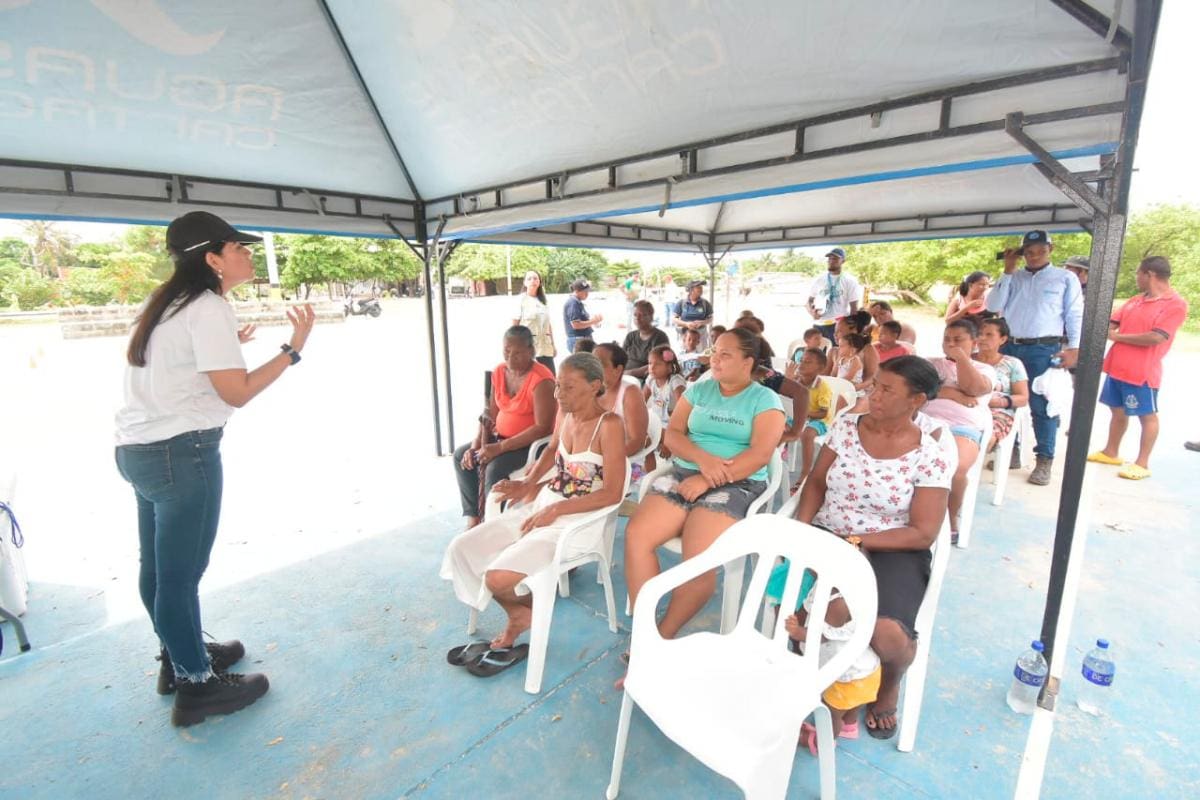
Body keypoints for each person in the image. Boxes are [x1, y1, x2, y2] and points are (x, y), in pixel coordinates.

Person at [114, 210, 316, 726]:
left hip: (140, 451)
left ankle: (179, 658)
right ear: (211, 259)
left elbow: (177, 367)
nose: (247, 253)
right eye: (238, 247)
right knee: (179, 578)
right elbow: (238, 393)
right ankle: (197, 687)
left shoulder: (168, 304)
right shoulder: (206, 308)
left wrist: (230, 346)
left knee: (158, 572)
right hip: (182, 454)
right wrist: (293, 350)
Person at [791, 355, 951, 740]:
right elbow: (815, 483)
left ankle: (889, 683)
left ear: (915, 400)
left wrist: (859, 542)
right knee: (811, 616)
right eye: (875, 384)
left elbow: (923, 532)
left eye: (886, 389)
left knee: (887, 635)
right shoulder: (847, 427)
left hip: (894, 547)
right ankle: (827, 689)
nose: (873, 394)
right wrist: (800, 529)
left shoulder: (930, 456)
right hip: (831, 535)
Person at [440, 353, 627, 668]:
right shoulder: (565, 414)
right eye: (556, 386)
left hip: (576, 524)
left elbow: (612, 493)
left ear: (596, 386)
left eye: (568, 387)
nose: (558, 395)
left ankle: (523, 613)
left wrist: (558, 510)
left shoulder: (608, 425)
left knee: (498, 577)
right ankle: (521, 612)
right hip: (546, 506)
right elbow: (553, 448)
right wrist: (528, 483)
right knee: (463, 549)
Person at [624, 328, 786, 643]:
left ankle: (660, 637)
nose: (716, 359)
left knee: (697, 562)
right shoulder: (699, 389)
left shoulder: (765, 399)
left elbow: (760, 455)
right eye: (714, 352)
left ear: (747, 362)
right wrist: (702, 460)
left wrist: (708, 477)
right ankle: (645, 631)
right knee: (636, 536)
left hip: (738, 482)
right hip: (685, 473)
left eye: (726, 354)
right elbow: (673, 434)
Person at [986, 230, 1083, 486]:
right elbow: (993, 305)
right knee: (1004, 399)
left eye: (1040, 250)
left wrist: (1075, 347)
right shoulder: (1013, 277)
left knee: (1041, 404)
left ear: (1050, 248)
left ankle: (1044, 459)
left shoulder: (1064, 278)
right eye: (1029, 251)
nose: (1034, 255)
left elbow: (1074, 314)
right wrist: (1007, 270)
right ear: (1022, 253)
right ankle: (1010, 450)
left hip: (1044, 348)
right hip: (1010, 346)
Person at [1087, 256, 1189, 480]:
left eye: (1138, 273)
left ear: (1150, 274)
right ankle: (1111, 451)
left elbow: (1156, 337)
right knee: (1117, 410)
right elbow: (1114, 321)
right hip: (1117, 367)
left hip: (1142, 371)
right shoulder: (1136, 300)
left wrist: (1118, 337)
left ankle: (1142, 462)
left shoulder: (1175, 304)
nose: (1136, 278)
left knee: (1146, 415)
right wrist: (1111, 329)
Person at [454, 327, 556, 529]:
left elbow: (543, 427)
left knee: (494, 469)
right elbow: (489, 414)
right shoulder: (500, 371)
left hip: (529, 444)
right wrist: (477, 443)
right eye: (506, 351)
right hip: (498, 438)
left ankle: (493, 525)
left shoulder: (542, 379)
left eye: (517, 352)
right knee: (461, 456)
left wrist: (500, 448)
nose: (511, 357)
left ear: (531, 351)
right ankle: (474, 518)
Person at [921, 320, 997, 543]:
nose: (951, 344)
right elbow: (922, 391)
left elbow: (974, 388)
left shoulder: (985, 370)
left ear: (974, 343)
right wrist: (952, 394)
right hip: (925, 422)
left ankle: (949, 519)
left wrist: (961, 358)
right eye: (947, 339)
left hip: (963, 428)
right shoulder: (930, 364)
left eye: (958, 340)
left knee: (955, 468)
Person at [785, 587, 881, 754]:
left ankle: (823, 742)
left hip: (851, 677)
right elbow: (807, 608)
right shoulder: (824, 585)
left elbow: (818, 636)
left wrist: (796, 632)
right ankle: (849, 725)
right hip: (862, 670)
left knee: (831, 715)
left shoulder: (839, 604)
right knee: (849, 705)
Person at [784, 348, 844, 487]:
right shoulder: (796, 381)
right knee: (779, 427)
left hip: (818, 420)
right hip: (798, 416)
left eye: (808, 362)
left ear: (820, 368)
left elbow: (823, 413)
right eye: (802, 361)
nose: (802, 364)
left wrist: (805, 414)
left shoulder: (823, 387)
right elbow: (785, 397)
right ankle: (773, 461)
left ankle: (805, 473)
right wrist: (787, 379)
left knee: (807, 434)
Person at [973, 318, 1029, 454]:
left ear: (1002, 339)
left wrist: (995, 402)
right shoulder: (966, 360)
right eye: (979, 334)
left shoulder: (1013, 364)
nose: (982, 338)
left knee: (984, 436)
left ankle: (970, 470)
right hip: (967, 406)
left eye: (989, 334)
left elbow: (1023, 398)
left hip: (997, 411)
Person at [593, 342, 651, 466]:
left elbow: (636, 441)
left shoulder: (630, 393)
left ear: (618, 370)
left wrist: (602, 460)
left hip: (622, 461)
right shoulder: (591, 390)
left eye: (599, 364)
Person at [806, 247, 861, 345]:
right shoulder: (819, 279)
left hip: (838, 325)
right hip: (819, 325)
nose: (831, 261)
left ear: (843, 261)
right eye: (829, 259)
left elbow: (854, 307)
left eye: (835, 259)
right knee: (819, 354)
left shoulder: (850, 280)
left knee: (837, 353)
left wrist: (852, 329)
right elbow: (809, 301)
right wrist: (812, 312)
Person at [513, 270, 557, 373]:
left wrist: (553, 345)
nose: (533, 281)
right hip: (528, 347)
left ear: (539, 282)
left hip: (545, 347)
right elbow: (515, 326)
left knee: (550, 377)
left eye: (535, 278)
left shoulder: (543, 301)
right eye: (529, 278)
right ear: (525, 282)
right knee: (532, 379)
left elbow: (548, 325)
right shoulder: (521, 300)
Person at [621, 299, 670, 380]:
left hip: (647, 379)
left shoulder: (660, 337)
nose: (637, 318)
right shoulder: (630, 336)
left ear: (651, 317)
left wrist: (631, 373)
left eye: (642, 315)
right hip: (625, 376)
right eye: (635, 315)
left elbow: (660, 364)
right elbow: (621, 358)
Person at [643, 344, 686, 430]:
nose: (652, 367)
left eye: (658, 364)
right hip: (656, 420)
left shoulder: (675, 382)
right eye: (650, 363)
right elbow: (642, 400)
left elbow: (683, 408)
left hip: (672, 423)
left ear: (669, 367)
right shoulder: (651, 379)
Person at [563, 278, 603, 354]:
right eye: (585, 292)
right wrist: (593, 321)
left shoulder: (577, 302)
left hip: (582, 339)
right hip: (578, 340)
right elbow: (576, 324)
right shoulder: (573, 303)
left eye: (588, 291)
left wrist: (594, 322)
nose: (587, 294)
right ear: (576, 291)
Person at [672, 279, 714, 348]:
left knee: (701, 356)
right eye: (698, 287)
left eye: (701, 287)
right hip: (686, 336)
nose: (701, 289)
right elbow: (674, 319)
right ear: (691, 290)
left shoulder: (705, 303)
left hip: (701, 336)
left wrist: (702, 322)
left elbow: (711, 319)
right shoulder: (681, 303)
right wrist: (686, 324)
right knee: (686, 356)